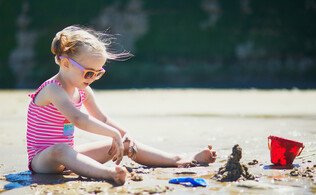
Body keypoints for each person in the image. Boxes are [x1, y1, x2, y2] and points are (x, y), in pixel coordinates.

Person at [26, 25, 217, 186]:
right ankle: (109, 174)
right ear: (66, 64)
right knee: (61, 149)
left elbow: (103, 119)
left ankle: (180, 159)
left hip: (69, 158)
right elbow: (78, 119)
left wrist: (124, 135)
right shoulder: (53, 89)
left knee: (124, 144)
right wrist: (112, 133)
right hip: (44, 160)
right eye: (88, 73)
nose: (92, 79)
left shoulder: (83, 90)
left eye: (97, 73)